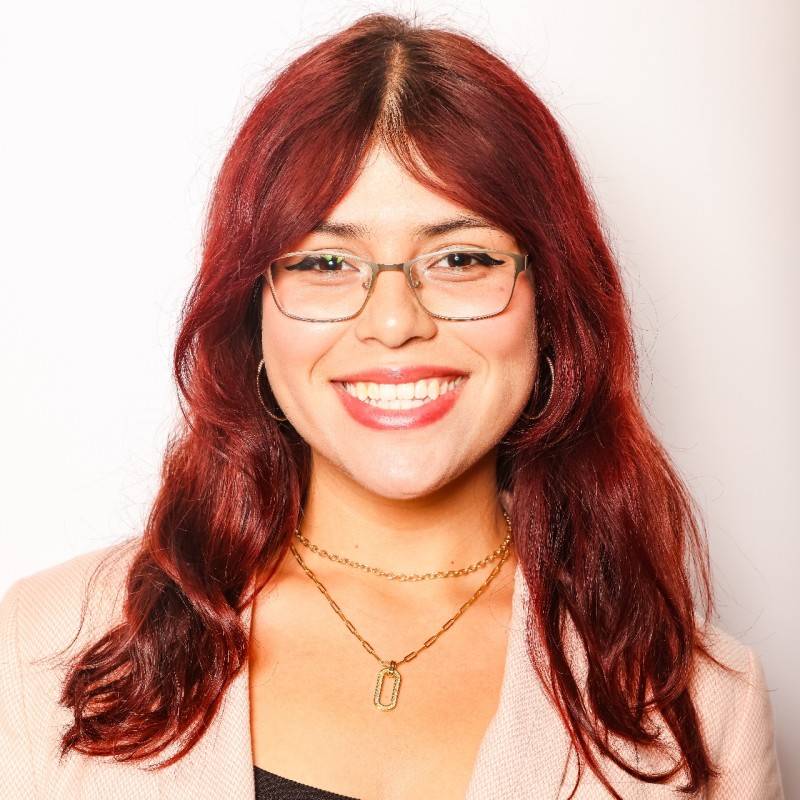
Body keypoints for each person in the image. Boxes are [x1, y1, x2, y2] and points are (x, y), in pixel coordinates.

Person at [0, 12, 785, 800]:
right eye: (327, 261)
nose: (394, 321)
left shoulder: (702, 708)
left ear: (550, 302)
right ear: (251, 310)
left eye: (461, 257)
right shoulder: (45, 646)